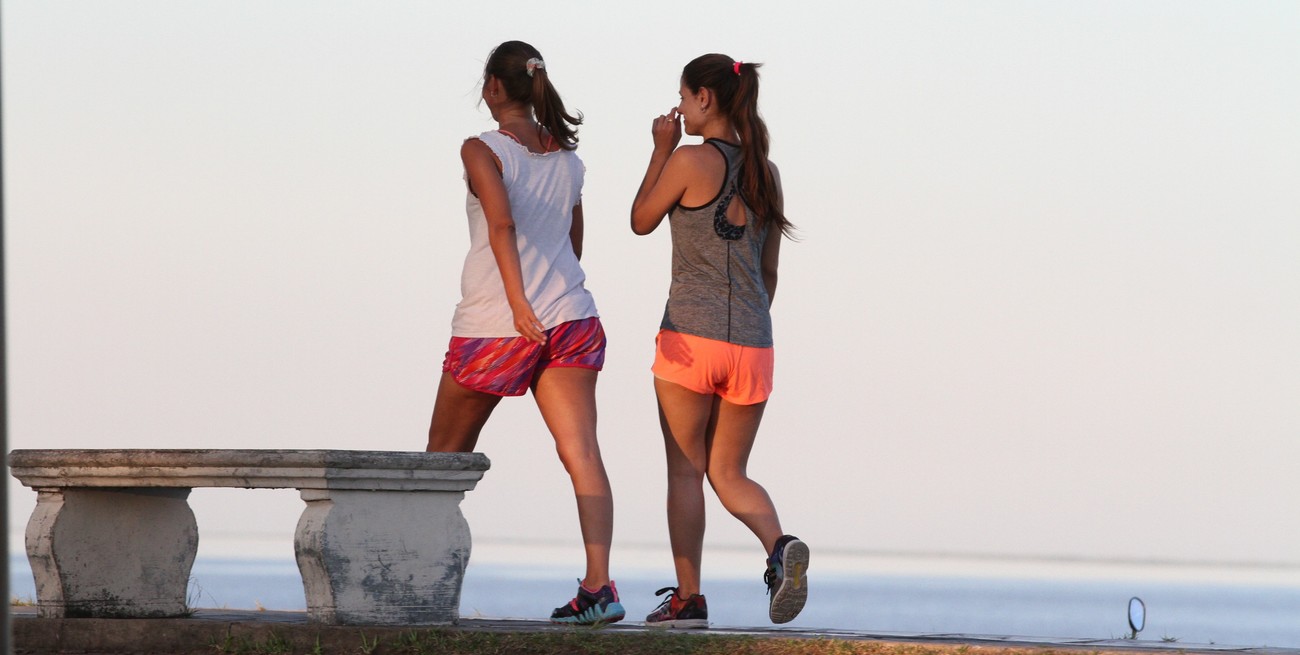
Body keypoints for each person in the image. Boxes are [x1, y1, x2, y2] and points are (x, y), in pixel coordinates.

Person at [426, 40, 623, 626]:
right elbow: (572, 240)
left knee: (438, 464)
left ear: (493, 88)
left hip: (497, 324)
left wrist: (518, 302)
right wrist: (552, 296)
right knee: (582, 451)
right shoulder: (568, 159)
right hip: (571, 316)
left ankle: (422, 590)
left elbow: (502, 223)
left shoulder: (480, 149)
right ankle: (598, 587)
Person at [630, 53, 808, 629]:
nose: (678, 109)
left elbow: (639, 219)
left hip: (688, 339)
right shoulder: (767, 173)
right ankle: (779, 548)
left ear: (705, 99)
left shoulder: (688, 160)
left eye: (683, 98)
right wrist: (748, 329)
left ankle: (688, 599)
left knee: (686, 472)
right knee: (730, 473)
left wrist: (660, 148)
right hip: (753, 344)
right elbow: (771, 270)